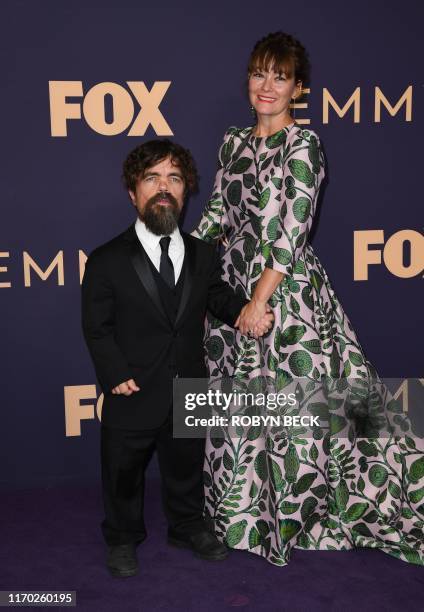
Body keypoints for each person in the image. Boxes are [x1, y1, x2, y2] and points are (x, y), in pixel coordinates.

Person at [192, 31, 424, 566]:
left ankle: (302, 514)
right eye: (258, 73)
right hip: (230, 293)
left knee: (300, 407)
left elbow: (292, 231)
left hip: (283, 293)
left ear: (299, 87)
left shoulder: (304, 145)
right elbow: (214, 219)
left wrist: (257, 301)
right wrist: (188, 275)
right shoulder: (233, 142)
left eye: (280, 76)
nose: (267, 86)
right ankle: (241, 513)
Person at [81, 139, 274, 577]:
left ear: (186, 192)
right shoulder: (107, 260)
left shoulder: (204, 253)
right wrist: (113, 372)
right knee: (123, 471)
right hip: (133, 385)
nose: (163, 187)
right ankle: (123, 536)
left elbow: (219, 299)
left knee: (186, 465)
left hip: (190, 382)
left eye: (174, 178)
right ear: (134, 192)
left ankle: (186, 525)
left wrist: (247, 312)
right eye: (152, 178)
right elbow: (97, 326)